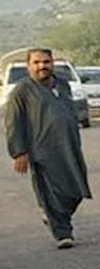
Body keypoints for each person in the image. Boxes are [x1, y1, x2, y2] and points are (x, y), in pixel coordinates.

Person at [5, 48, 92, 249]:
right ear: (29, 66)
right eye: (36, 63)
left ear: (52, 62)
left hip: (69, 146)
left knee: (76, 190)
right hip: (42, 149)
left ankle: (52, 214)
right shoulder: (22, 91)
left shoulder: (62, 84)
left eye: (46, 62)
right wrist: (19, 152)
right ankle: (63, 232)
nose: (42, 66)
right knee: (51, 191)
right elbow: (13, 123)